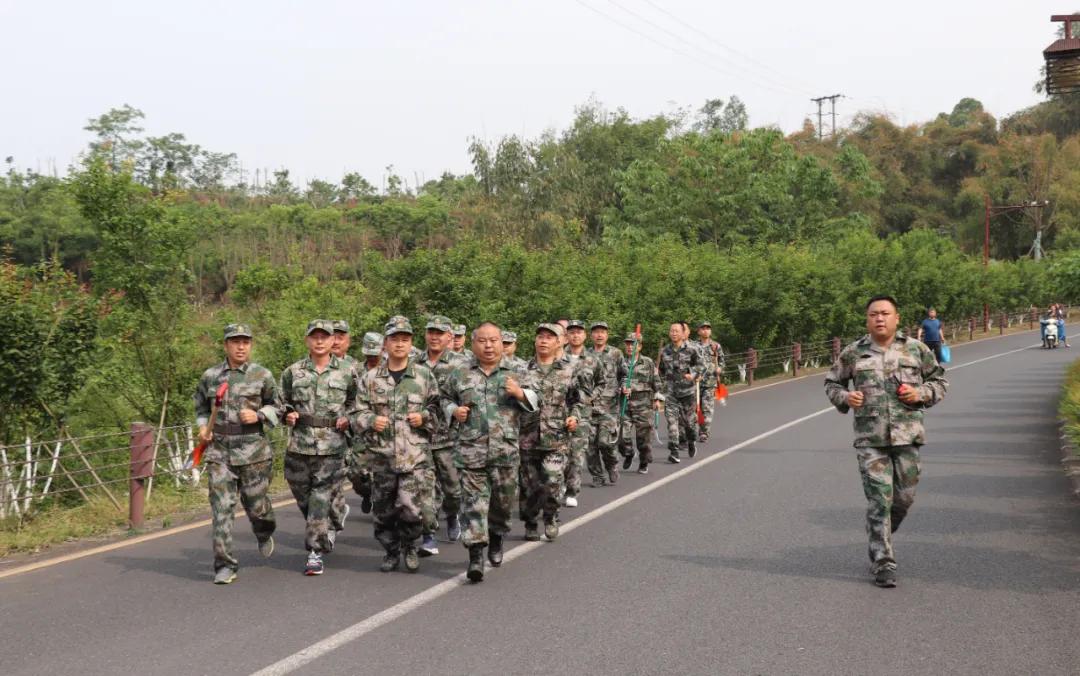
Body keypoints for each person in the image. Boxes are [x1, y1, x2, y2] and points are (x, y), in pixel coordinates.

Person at [824, 295, 948, 588]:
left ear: (897, 318)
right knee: (880, 499)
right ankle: (883, 561)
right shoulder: (854, 353)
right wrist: (845, 397)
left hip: (908, 437)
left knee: (904, 499)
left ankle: (880, 533)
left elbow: (940, 381)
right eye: (873, 314)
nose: (879, 318)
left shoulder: (916, 350)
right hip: (871, 439)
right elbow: (832, 383)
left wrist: (921, 394)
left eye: (885, 313)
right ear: (867, 320)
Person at [441, 322, 538, 581]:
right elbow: (443, 398)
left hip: (505, 452)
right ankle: (475, 555)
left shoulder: (518, 371)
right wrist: (454, 411)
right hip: (470, 451)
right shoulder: (459, 373)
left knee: (502, 505)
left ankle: (497, 536)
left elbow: (535, 402)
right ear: (473, 344)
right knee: (473, 504)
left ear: (501, 342)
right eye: (482, 340)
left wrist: (519, 393)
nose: (488, 345)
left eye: (493, 340)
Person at [352, 316, 440, 573]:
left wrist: (423, 417)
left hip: (414, 457)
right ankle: (391, 550)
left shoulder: (423, 376)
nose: (399, 344)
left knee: (412, 509)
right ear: (385, 344)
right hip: (382, 457)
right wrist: (370, 419)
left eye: (405, 339)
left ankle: (410, 546)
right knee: (383, 512)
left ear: (411, 343)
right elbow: (355, 413)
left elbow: (438, 412)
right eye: (394, 339)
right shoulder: (370, 379)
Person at [194, 323, 280, 585]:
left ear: (250, 345)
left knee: (257, 508)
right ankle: (224, 564)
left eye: (245, 342)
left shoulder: (262, 375)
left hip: (253, 451)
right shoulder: (210, 376)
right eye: (235, 342)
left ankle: (264, 532)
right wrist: (201, 428)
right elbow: (200, 407)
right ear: (226, 345)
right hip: (219, 452)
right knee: (221, 510)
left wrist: (260, 414)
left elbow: (278, 405)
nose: (241, 346)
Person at [280, 319, 358, 576]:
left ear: (332, 340)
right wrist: (287, 414)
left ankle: (314, 553)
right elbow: (281, 402)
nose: (320, 340)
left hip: (332, 445)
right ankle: (335, 515)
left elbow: (358, 403)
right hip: (299, 445)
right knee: (303, 494)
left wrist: (351, 419)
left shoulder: (347, 372)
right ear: (307, 340)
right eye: (315, 336)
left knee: (319, 498)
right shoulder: (293, 372)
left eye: (325, 336)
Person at [519, 323, 592, 541]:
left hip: (557, 438)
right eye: (540, 336)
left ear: (559, 342)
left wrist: (574, 417)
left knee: (552, 482)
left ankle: (550, 516)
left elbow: (579, 400)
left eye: (549, 337)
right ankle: (531, 521)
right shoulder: (522, 370)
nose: (543, 340)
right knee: (529, 487)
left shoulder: (569, 370)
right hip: (527, 438)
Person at [418, 314, 467, 554]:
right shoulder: (413, 362)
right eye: (431, 332)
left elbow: (470, 397)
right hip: (420, 438)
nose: (435, 337)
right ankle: (428, 535)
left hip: (450, 438)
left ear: (450, 337)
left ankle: (452, 515)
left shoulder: (461, 364)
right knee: (425, 490)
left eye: (440, 333)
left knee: (453, 489)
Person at [562, 320, 601, 503]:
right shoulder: (559, 357)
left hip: (583, 413)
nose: (575, 335)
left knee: (577, 453)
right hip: (559, 412)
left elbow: (602, 382)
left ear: (584, 336)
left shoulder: (593, 359)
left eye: (578, 332)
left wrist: (592, 396)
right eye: (571, 332)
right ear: (566, 336)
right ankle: (560, 482)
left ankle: (572, 491)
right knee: (561, 452)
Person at [346, 331, 384, 514]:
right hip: (362, 430)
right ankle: (367, 493)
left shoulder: (389, 370)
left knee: (386, 475)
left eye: (375, 353)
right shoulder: (355, 372)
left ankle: (382, 503)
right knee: (355, 474)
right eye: (369, 353)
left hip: (385, 430)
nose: (372, 357)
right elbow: (348, 399)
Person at [329, 320, 359, 542]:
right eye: (333, 335)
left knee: (358, 478)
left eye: (341, 336)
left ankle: (335, 513)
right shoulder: (306, 368)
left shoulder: (354, 369)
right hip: (320, 439)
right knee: (329, 481)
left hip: (351, 435)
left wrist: (349, 418)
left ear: (348, 341)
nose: (336, 341)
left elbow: (362, 402)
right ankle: (331, 522)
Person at [657, 321, 704, 463]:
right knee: (672, 422)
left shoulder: (691, 349)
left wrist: (694, 375)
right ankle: (674, 451)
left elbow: (702, 366)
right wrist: (658, 389)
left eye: (677, 330)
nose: (674, 333)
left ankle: (691, 441)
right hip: (671, 393)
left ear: (683, 333)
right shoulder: (665, 351)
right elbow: (661, 372)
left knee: (689, 424)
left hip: (688, 392)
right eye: (671, 330)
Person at [618, 333, 664, 474]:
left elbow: (656, 382)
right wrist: (621, 388)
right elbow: (614, 381)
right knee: (622, 437)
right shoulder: (620, 362)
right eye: (628, 344)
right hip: (625, 405)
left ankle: (644, 462)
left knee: (643, 439)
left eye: (634, 344)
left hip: (643, 406)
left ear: (640, 346)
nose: (630, 347)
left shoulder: (648, 362)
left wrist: (657, 400)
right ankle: (628, 453)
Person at [589, 321, 627, 485]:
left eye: (602, 332)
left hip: (609, 406)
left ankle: (611, 465)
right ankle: (598, 476)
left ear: (607, 335)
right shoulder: (586, 355)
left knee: (605, 443)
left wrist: (625, 386)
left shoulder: (615, 353)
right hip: (588, 406)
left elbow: (625, 374)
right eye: (596, 332)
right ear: (591, 335)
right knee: (590, 446)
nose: (599, 335)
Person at [690, 320, 725, 442]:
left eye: (708, 328)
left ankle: (704, 432)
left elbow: (721, 362)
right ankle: (694, 430)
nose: (706, 330)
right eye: (703, 328)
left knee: (707, 408)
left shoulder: (715, 346)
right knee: (694, 408)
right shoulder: (693, 346)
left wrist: (719, 368)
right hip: (696, 382)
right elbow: (689, 362)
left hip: (710, 382)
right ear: (699, 331)